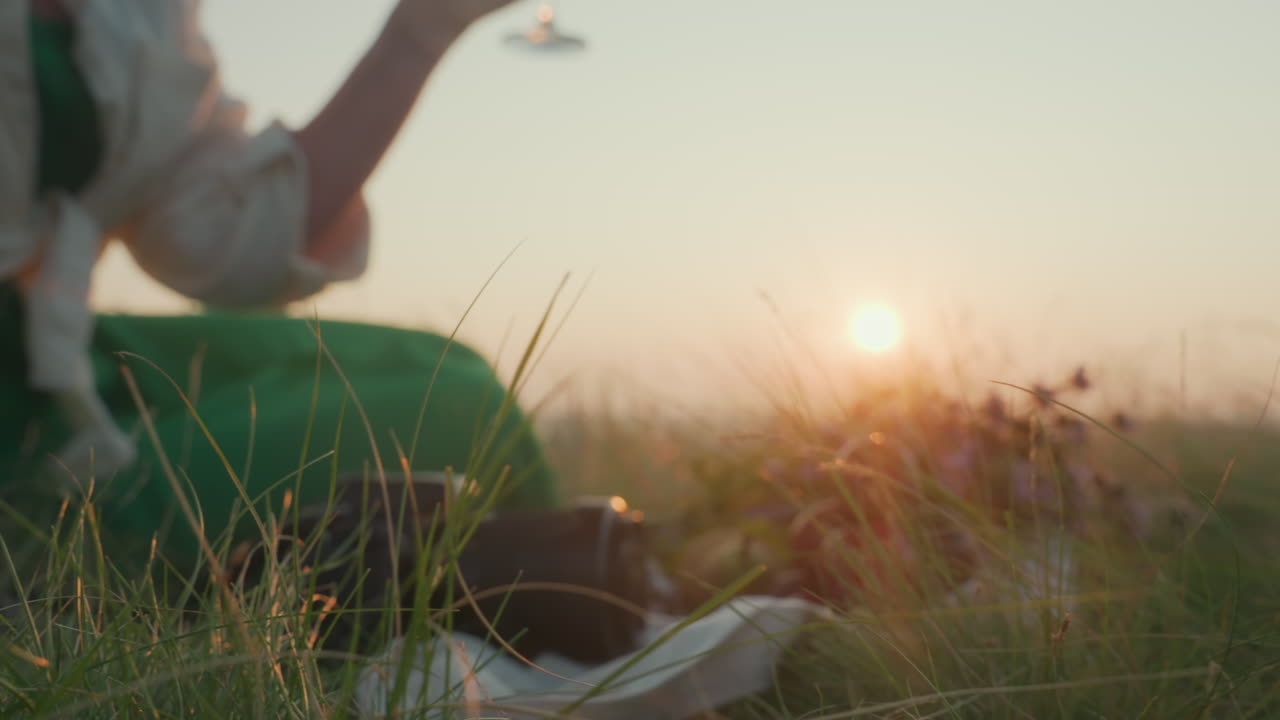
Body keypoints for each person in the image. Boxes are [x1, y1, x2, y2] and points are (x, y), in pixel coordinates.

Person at [1, 0, 559, 563]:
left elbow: (217, 236)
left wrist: (423, 26)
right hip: (18, 420)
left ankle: (580, 577)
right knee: (456, 404)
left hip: (56, 344)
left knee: (445, 369)